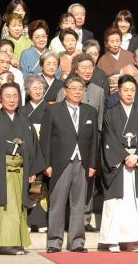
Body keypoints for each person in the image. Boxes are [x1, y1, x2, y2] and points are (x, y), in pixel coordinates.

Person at [0, 83, 45, 256]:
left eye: (15, 95)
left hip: (20, 171)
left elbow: (34, 147)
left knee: (16, 209)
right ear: (0, 98)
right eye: (7, 96)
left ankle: (12, 244)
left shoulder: (25, 120)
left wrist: (32, 171)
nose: (12, 100)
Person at [40, 76, 98, 253]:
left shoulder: (90, 111)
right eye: (73, 88)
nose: (77, 92)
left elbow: (95, 139)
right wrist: (46, 164)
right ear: (65, 91)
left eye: (80, 89)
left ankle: (77, 242)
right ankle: (54, 242)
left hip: (82, 163)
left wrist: (93, 164)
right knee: (57, 204)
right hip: (59, 163)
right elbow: (45, 139)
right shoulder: (53, 110)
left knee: (79, 204)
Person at [98, 75, 138, 253]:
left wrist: (137, 156)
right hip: (118, 163)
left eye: (132, 90)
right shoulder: (110, 113)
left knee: (134, 201)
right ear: (118, 91)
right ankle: (113, 240)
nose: (129, 94)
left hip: (136, 162)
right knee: (117, 202)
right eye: (125, 90)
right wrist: (124, 156)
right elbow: (108, 139)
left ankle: (133, 240)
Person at [57, 55, 105, 232]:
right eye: (83, 67)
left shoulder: (98, 91)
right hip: (66, 148)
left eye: (90, 67)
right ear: (76, 69)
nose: (87, 71)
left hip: (89, 145)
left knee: (87, 184)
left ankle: (85, 219)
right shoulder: (65, 88)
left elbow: (99, 123)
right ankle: (65, 219)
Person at [19, 75, 49, 233]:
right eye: (34, 88)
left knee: (40, 185)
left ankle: (40, 219)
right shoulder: (22, 110)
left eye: (40, 88)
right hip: (27, 150)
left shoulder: (49, 108)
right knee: (28, 184)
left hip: (43, 149)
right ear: (28, 91)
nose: (38, 91)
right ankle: (28, 219)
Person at [97, 27, 135, 94]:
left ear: (121, 41)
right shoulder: (102, 60)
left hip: (129, 93)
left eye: (117, 41)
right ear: (106, 43)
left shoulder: (129, 56)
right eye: (112, 42)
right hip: (110, 95)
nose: (115, 45)